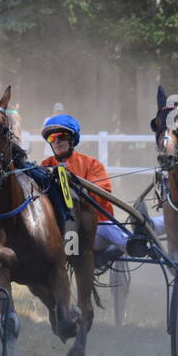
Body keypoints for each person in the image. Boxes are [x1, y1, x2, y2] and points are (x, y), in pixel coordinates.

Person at [37, 113, 124, 264]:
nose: (56, 142)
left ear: (72, 139)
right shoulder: (45, 165)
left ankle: (131, 244)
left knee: (107, 229)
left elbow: (101, 194)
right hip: (59, 232)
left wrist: (73, 192)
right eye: (52, 138)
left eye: (61, 136)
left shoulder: (92, 165)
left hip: (95, 229)